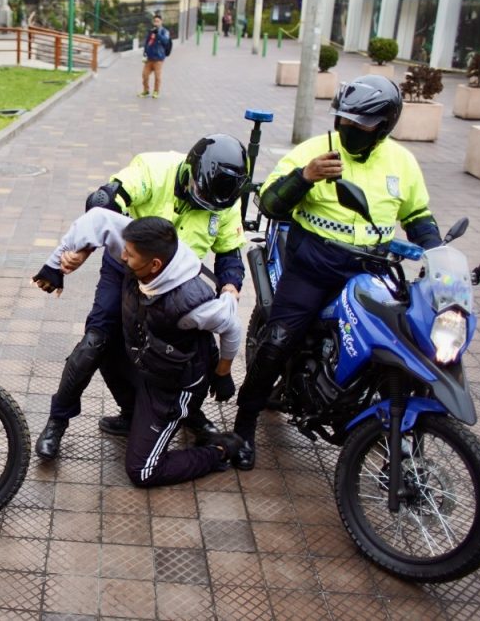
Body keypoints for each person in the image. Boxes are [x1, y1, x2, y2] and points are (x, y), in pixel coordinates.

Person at [229, 75, 443, 471]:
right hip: (314, 267)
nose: (348, 130)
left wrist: (439, 255)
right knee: (278, 339)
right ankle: (244, 424)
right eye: (344, 121)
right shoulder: (314, 151)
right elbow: (271, 203)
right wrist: (304, 177)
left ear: (384, 126)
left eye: (360, 125)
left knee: (404, 339)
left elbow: (418, 216)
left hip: (373, 270)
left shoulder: (402, 162)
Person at [32, 134, 249, 460]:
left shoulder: (226, 202)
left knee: (195, 353)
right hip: (126, 269)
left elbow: (230, 255)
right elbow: (103, 203)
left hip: (175, 286)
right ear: (190, 170)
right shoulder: (154, 167)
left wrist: (230, 289)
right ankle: (57, 422)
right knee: (97, 343)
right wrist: (83, 249)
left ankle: (188, 416)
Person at [40, 212, 245, 486]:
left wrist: (223, 372)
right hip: (149, 360)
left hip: (173, 384)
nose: (122, 257)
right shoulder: (141, 246)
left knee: (143, 472)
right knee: (100, 344)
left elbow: (232, 325)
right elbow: (98, 218)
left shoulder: (192, 303)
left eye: (130, 255)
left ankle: (220, 450)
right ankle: (132, 416)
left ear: (154, 265)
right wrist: (57, 263)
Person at [140, 14, 171, 98]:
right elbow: (147, 43)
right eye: (155, 21)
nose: (156, 23)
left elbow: (165, 41)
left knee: (157, 77)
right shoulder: (151, 31)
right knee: (144, 75)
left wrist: (158, 34)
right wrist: (144, 53)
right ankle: (146, 91)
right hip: (149, 58)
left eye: (158, 21)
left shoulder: (165, 31)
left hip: (158, 58)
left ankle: (156, 92)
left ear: (161, 22)